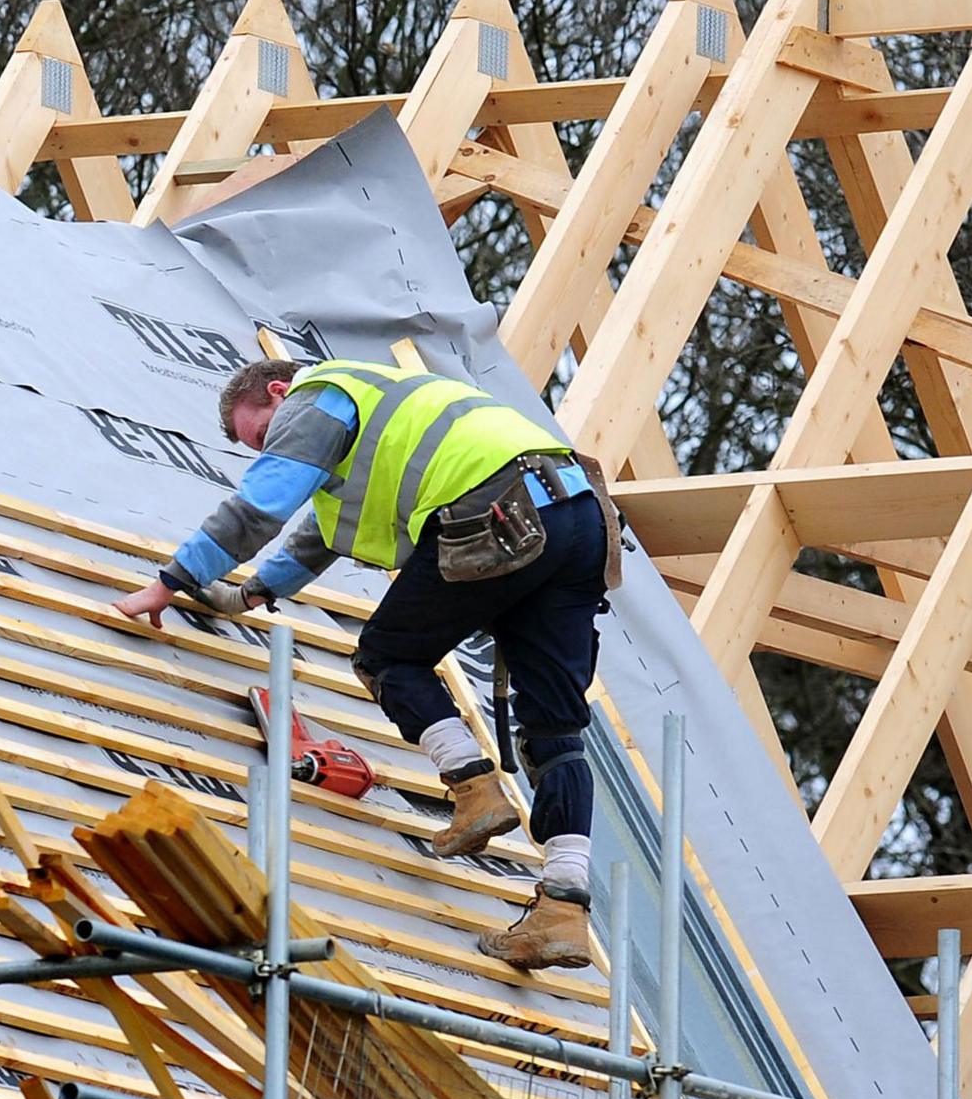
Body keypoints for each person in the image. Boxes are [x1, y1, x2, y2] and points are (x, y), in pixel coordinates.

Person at [112, 357, 620, 971]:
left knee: (387, 657)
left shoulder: (320, 395)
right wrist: (249, 593)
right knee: (556, 732)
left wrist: (169, 582)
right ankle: (563, 908)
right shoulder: (384, 413)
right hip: (580, 513)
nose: (269, 450)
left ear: (279, 391)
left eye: (262, 435)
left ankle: (475, 788)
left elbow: (260, 508)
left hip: (497, 507)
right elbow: (324, 533)